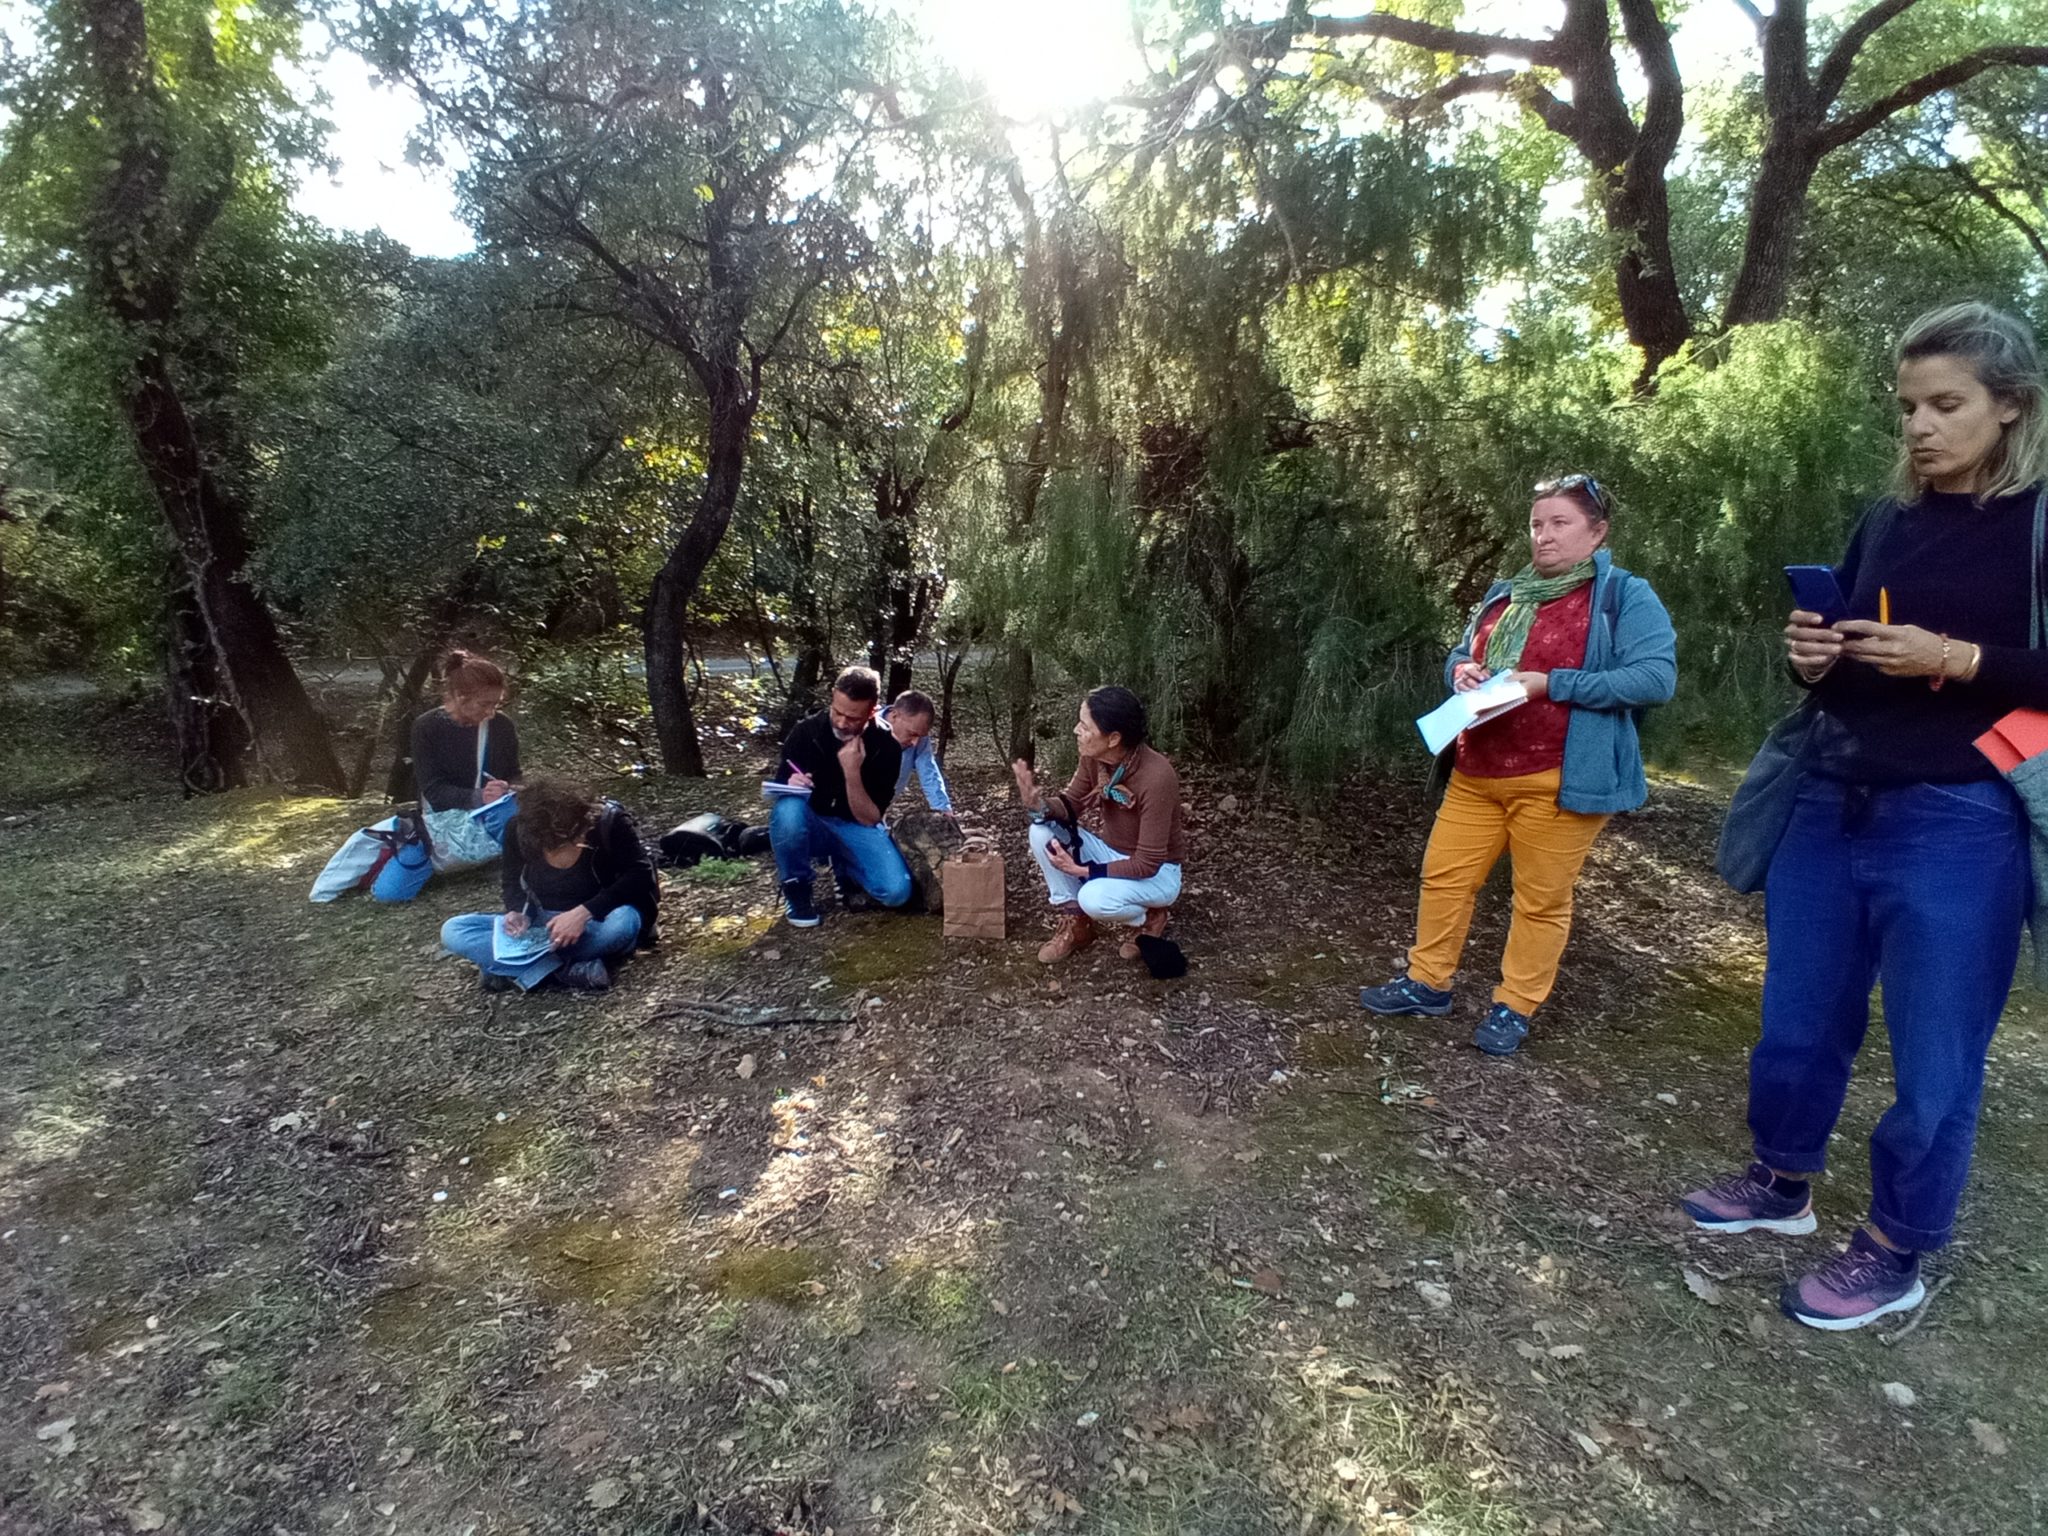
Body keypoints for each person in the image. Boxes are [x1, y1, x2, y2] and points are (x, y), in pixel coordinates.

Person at [1681, 301, 2048, 1331]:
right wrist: (1813, 652)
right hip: (1829, 799)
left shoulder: (2038, 524)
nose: (1920, 428)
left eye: (1945, 405)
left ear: (2009, 408)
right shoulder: (1886, 519)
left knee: (1935, 1058)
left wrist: (1959, 659)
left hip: (1958, 817)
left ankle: (1896, 1246)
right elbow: (1844, 640)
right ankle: (1779, 1182)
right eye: (1907, 408)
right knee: (1795, 1024)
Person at [1358, 476, 1677, 1056]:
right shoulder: (1507, 594)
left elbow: (1654, 678)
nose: (1544, 536)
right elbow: (1465, 652)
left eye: (1560, 523)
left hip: (1558, 778)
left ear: (1597, 532)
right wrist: (1460, 672)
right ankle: (1428, 983)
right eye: (1536, 524)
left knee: (1540, 899)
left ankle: (1514, 1006)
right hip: (1476, 771)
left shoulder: (1624, 595)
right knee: (1444, 878)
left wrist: (1550, 683)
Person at [1012, 686, 1186, 964]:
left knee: (1093, 898)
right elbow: (1071, 806)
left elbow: (1148, 862)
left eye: (1084, 725)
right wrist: (1039, 805)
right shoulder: (1094, 759)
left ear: (1114, 738)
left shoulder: (1157, 777)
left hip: (1158, 872)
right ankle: (1076, 923)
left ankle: (1151, 915)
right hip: (1112, 852)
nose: (1075, 731)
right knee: (1041, 831)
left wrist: (1083, 870)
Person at [440, 777, 657, 992]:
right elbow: (511, 881)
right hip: (545, 923)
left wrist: (584, 913)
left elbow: (640, 874)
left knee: (621, 924)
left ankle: (515, 969)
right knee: (454, 930)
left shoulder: (609, 821)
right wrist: (517, 911)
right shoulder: (517, 829)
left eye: (571, 838)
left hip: (601, 919)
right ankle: (564, 972)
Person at [375, 649, 523, 903]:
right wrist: (479, 796)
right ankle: (457, 860)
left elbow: (515, 774)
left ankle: (497, 861)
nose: (490, 712)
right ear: (459, 697)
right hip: (443, 820)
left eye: (496, 704)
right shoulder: (427, 726)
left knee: (514, 812)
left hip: (492, 815)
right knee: (389, 893)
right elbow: (434, 791)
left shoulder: (502, 725)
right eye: (484, 704)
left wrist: (508, 787)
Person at [768, 666, 911, 928]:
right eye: (838, 712)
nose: (843, 723)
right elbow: (778, 790)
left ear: (871, 711)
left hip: (855, 826)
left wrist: (852, 773)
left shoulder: (887, 746)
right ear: (833, 696)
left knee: (896, 892)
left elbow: (870, 819)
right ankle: (796, 887)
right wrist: (790, 783)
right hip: (812, 822)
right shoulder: (805, 732)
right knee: (788, 810)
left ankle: (847, 868)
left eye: (853, 718)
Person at [881, 689, 954, 814]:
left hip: (880, 810)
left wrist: (943, 811)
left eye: (920, 736)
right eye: (912, 734)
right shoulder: (863, 728)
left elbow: (929, 773)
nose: (915, 743)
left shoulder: (919, 739)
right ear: (894, 715)